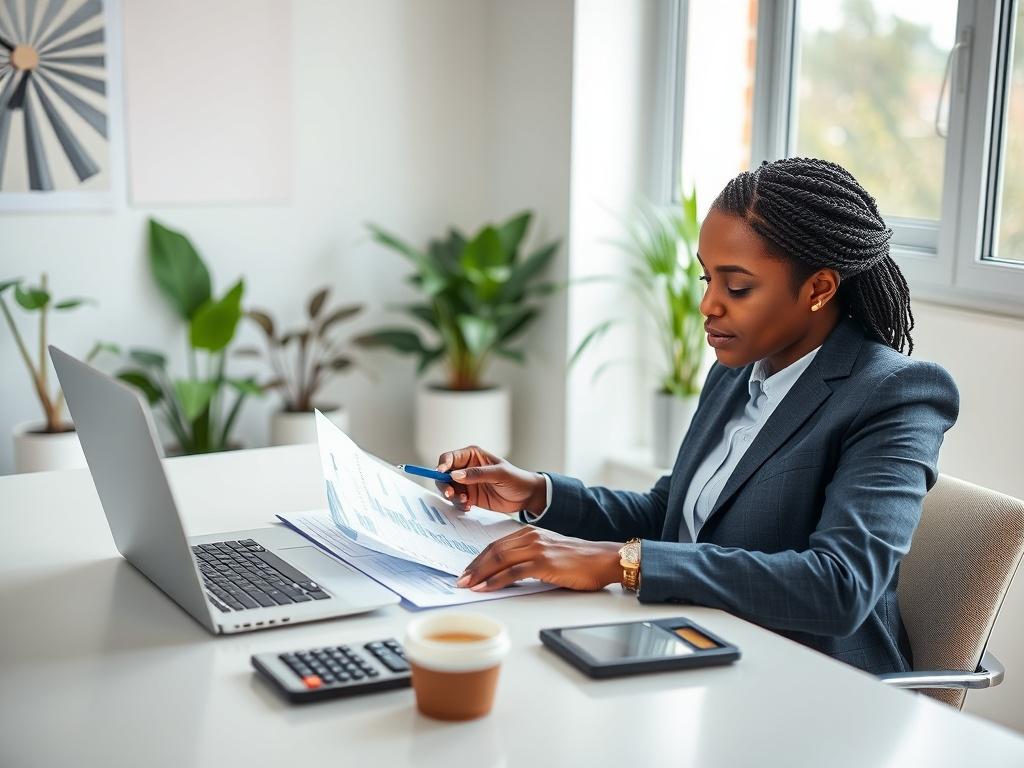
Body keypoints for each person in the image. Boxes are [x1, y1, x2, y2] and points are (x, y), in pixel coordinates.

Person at [436, 157, 959, 675]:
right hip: (700, 641)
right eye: (707, 278)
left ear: (818, 289)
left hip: (814, 680)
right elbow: (672, 513)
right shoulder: (736, 370)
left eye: (737, 287)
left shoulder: (896, 395)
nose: (708, 305)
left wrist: (621, 561)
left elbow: (839, 587)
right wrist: (536, 492)